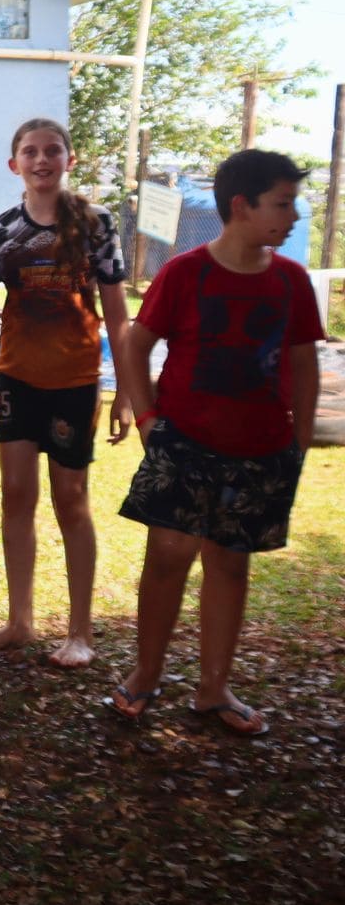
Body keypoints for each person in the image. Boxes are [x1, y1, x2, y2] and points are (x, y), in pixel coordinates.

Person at [110, 149, 322, 737]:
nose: (295, 216)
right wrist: (149, 418)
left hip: (262, 451)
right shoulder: (184, 272)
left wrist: (299, 441)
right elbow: (135, 343)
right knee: (168, 559)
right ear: (241, 206)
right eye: (283, 203)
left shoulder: (291, 281)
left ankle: (214, 687)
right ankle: (145, 674)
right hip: (185, 444)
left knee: (230, 564)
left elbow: (303, 363)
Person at [0, 117, 131, 669]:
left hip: (76, 384)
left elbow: (118, 315)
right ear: (15, 165)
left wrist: (124, 390)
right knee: (16, 496)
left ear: (69, 160)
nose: (41, 160)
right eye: (29, 152)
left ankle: (80, 630)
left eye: (52, 150)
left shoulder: (96, 225)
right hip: (15, 379)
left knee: (72, 500)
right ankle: (19, 621)